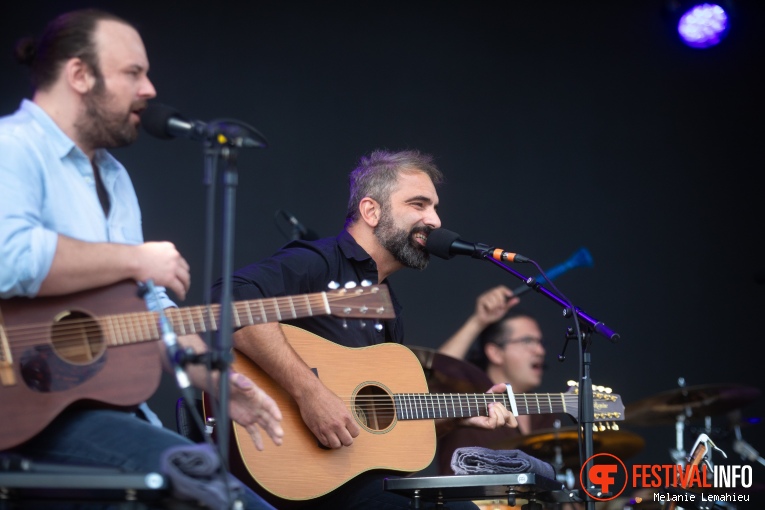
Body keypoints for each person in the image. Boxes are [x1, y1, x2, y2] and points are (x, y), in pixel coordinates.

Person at [0, 9, 282, 509]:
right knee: (222, 499)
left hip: (101, 413)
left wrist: (217, 382)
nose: (150, 89)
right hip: (22, 416)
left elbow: (147, 309)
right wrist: (133, 258)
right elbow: (9, 257)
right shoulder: (13, 147)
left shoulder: (114, 177)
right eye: (133, 72)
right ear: (79, 75)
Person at [212, 149, 518, 509]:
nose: (434, 220)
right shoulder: (318, 262)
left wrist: (455, 416)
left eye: (434, 207)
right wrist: (309, 393)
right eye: (419, 204)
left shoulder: (387, 306)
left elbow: (378, 431)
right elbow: (226, 303)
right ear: (371, 211)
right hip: (294, 476)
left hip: (350, 478)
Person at [437, 287, 557, 476]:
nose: (540, 351)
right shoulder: (466, 393)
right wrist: (478, 321)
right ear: (495, 352)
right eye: (528, 341)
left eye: (540, 342)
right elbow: (436, 371)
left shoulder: (545, 415)